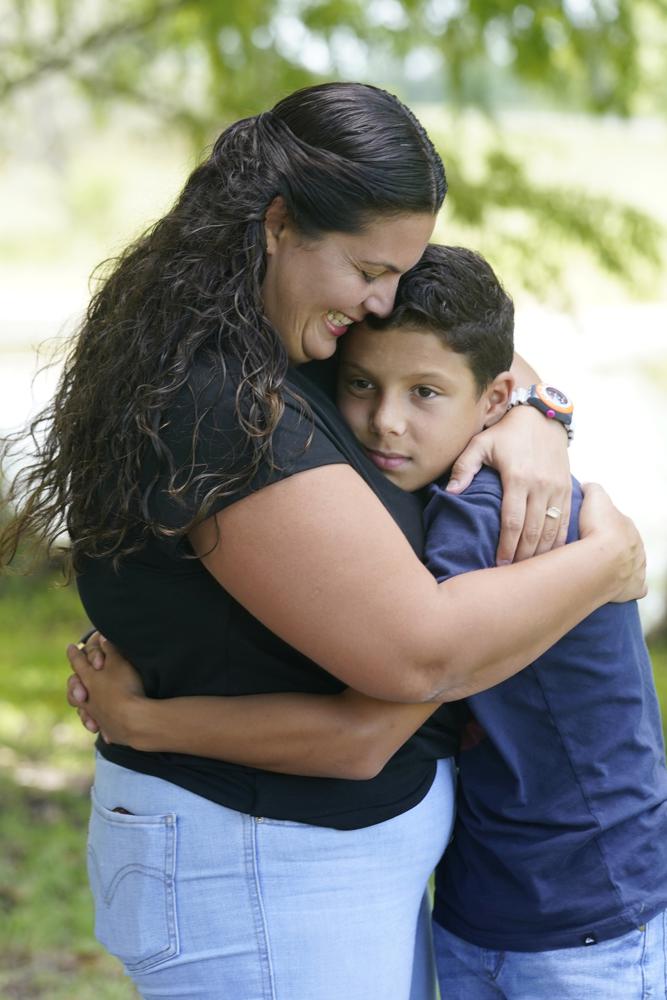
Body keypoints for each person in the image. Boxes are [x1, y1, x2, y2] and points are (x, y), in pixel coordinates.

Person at [2, 81, 645, 1000]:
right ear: (278, 225)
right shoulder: (219, 407)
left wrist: (537, 413)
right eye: (368, 271)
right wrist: (604, 563)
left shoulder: (277, 337)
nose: (383, 305)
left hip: (302, 882)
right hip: (263, 880)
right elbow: (415, 660)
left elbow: (460, 362)